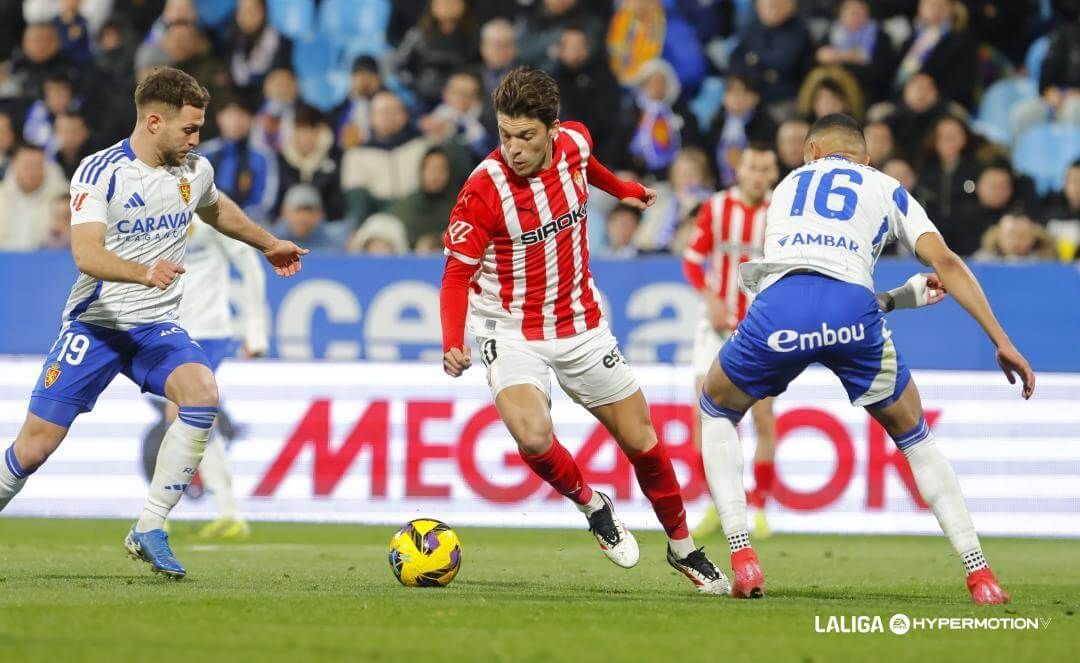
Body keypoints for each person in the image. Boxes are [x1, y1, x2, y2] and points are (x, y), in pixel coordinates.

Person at [697, 113, 1034, 603]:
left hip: (781, 311)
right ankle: (980, 574)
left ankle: (743, 556)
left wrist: (890, 299)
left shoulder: (787, 185)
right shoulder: (886, 186)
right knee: (915, 437)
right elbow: (945, 264)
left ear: (810, 150)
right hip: (853, 315)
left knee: (716, 408)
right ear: (867, 157)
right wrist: (1000, 339)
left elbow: (808, 279)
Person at [0, 67, 308, 578]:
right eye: (189, 129)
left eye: (199, 129)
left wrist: (268, 243)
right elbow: (85, 253)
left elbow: (216, 209)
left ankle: (150, 525)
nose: (196, 138)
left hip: (153, 328)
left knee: (202, 392)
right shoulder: (101, 173)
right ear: (154, 121)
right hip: (95, 326)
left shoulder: (192, 171)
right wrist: (143, 272)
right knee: (35, 446)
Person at [440, 66, 730, 594]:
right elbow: (456, 273)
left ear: (551, 129)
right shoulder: (483, 190)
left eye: (526, 137)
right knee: (532, 435)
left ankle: (683, 547)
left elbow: (587, 167)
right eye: (505, 135)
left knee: (641, 438)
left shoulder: (574, 141)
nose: (514, 148)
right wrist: (451, 341)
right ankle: (592, 504)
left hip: (580, 323)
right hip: (509, 328)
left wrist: (625, 189)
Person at [144, 212, 271, 540]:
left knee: (179, 411)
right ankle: (229, 511)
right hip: (171, 329)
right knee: (198, 417)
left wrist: (255, 330)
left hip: (209, 330)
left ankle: (157, 515)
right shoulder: (152, 210)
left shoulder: (211, 212)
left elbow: (250, 265)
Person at [682, 145, 779, 540]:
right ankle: (715, 502)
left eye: (765, 168)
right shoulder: (717, 208)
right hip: (716, 324)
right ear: (741, 170)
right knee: (703, 413)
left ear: (772, 173)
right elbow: (691, 260)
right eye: (752, 167)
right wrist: (711, 298)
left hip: (761, 328)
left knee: (763, 416)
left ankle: (759, 507)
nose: (757, 174)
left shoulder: (781, 214)